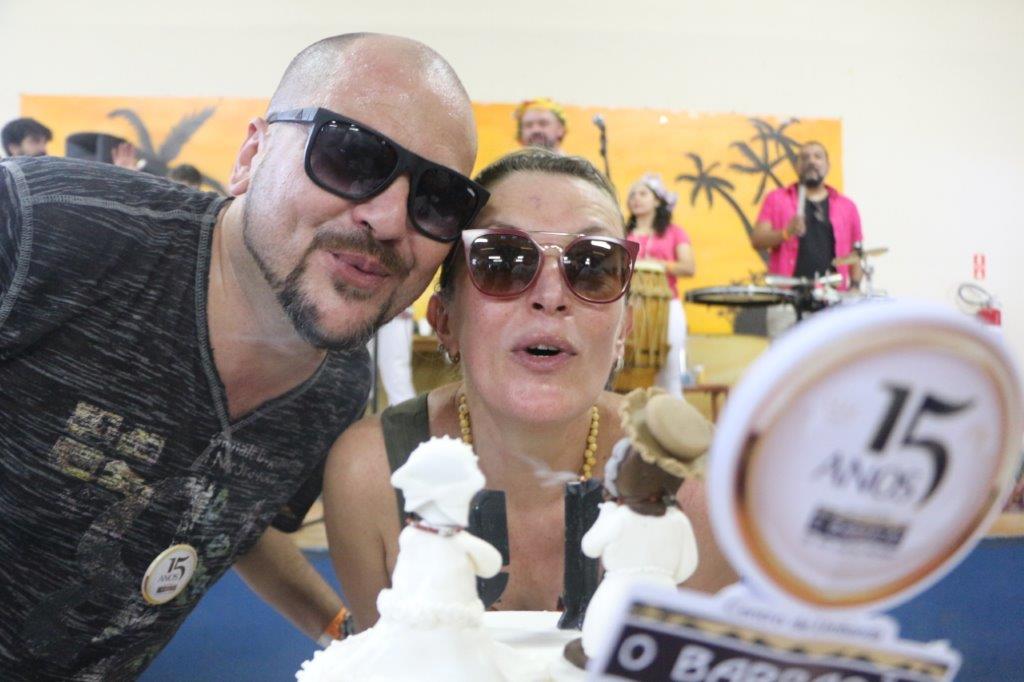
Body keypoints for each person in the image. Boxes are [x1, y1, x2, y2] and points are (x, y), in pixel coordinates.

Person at [0, 32, 485, 679]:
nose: (391, 219)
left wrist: (347, 634)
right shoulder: (43, 226)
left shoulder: (338, 386)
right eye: (350, 156)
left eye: (438, 199)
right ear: (252, 155)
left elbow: (231, 519)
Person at [324, 149, 736, 634]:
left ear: (622, 332)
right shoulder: (372, 476)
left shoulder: (695, 484)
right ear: (445, 320)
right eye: (503, 262)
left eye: (593, 266)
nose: (551, 296)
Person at [750, 141, 864, 336]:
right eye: (805, 157)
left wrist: (854, 288)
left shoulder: (847, 206)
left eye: (818, 156)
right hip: (786, 301)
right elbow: (757, 239)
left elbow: (856, 253)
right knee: (786, 355)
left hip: (834, 301)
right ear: (796, 166)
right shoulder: (776, 199)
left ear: (827, 165)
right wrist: (785, 232)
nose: (811, 161)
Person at [626, 173, 695, 397]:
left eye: (643, 193)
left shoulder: (674, 232)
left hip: (667, 305)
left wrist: (658, 265)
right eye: (632, 195)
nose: (636, 198)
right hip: (628, 305)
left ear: (657, 200)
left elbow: (688, 267)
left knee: (671, 368)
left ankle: (671, 414)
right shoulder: (622, 233)